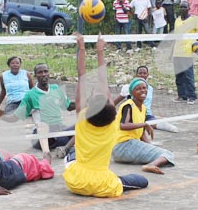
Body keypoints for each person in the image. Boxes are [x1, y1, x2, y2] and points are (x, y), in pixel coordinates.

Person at [63, 33, 149, 197]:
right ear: (111, 109)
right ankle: (118, 180)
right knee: (142, 181)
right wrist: (100, 51)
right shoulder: (113, 123)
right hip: (103, 183)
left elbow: (82, 76)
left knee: (73, 155)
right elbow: (104, 82)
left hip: (76, 181)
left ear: (89, 108)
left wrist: (81, 47)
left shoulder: (82, 117)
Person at [0, 63, 75, 155]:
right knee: (43, 127)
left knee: (81, 125)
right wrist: (2, 117)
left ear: (49, 73)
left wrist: (85, 103)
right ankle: (48, 153)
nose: (43, 74)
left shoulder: (56, 89)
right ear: (35, 75)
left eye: (45, 71)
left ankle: (65, 148)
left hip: (59, 131)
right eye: (40, 72)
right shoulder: (30, 95)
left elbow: (68, 106)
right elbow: (16, 117)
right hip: (41, 135)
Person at [113, 77, 175, 175]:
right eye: (138, 89)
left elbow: (141, 133)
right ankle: (151, 165)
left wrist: (149, 145)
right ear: (132, 93)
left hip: (130, 144)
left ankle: (153, 163)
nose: (142, 91)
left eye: (144, 88)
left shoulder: (143, 108)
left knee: (166, 153)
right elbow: (123, 125)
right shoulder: (128, 105)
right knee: (167, 154)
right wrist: (145, 124)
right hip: (123, 146)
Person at [114, 65, 178, 133]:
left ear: (147, 75)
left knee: (154, 122)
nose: (142, 75)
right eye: (140, 73)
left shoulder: (150, 89)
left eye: (144, 73)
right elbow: (115, 101)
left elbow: (147, 105)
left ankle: (154, 122)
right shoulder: (128, 88)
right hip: (133, 115)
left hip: (146, 114)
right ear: (136, 75)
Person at [173, 1, 198, 104]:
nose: (182, 9)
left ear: (188, 8)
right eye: (181, 7)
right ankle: (182, 95)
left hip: (188, 51)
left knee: (188, 76)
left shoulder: (194, 20)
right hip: (177, 51)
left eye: (184, 7)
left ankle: (192, 96)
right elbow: (175, 36)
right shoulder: (177, 21)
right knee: (179, 75)